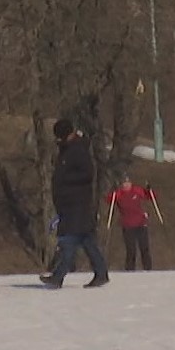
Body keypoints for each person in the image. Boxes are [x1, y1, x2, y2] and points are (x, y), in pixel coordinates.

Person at [42, 119, 110, 289]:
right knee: (85, 239)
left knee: (68, 240)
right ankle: (101, 273)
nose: (57, 140)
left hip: (77, 203)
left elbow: (87, 174)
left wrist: (65, 181)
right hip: (69, 203)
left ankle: (58, 277)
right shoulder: (67, 150)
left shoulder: (78, 150)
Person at [106, 173, 159, 270]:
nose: (126, 185)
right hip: (127, 225)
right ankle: (130, 269)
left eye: (128, 182)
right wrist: (112, 191)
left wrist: (149, 190)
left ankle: (148, 269)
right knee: (131, 249)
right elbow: (110, 200)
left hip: (141, 224)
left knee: (144, 248)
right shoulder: (119, 193)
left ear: (131, 183)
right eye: (124, 183)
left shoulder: (137, 190)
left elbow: (150, 196)